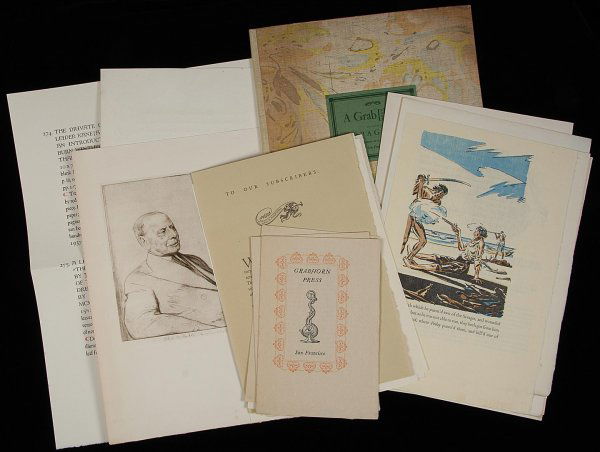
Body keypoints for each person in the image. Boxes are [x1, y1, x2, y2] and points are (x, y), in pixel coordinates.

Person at [123, 211, 225, 339]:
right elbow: (142, 324)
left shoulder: (195, 260)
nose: (173, 234)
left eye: (172, 227)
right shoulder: (138, 279)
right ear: (144, 241)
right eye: (162, 231)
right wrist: (205, 329)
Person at [404, 224, 487, 283]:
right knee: (436, 257)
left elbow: (478, 259)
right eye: (475, 231)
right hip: (458, 260)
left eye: (476, 231)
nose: (474, 232)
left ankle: (413, 266)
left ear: (480, 234)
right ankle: (413, 254)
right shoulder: (473, 241)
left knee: (438, 266)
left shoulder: (480, 243)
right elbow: (461, 248)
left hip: (462, 266)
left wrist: (476, 276)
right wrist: (458, 234)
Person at [400, 174, 448, 264]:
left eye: (442, 195)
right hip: (413, 216)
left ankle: (409, 257)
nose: (440, 196)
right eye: (440, 193)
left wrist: (421, 184)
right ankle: (405, 256)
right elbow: (417, 197)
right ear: (437, 190)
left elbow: (430, 209)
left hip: (418, 219)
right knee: (406, 238)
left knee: (422, 241)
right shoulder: (426, 190)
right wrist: (420, 182)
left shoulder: (438, 202)